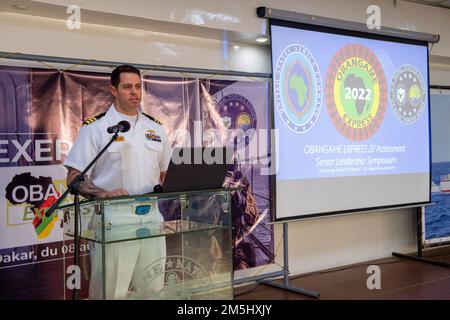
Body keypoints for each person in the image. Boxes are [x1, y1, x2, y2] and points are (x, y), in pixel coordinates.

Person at [64, 65, 172, 299]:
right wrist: (102, 194)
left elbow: (165, 173)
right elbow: (73, 177)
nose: (135, 93)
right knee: (111, 292)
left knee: (153, 289)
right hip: (116, 218)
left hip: (153, 216)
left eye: (138, 86)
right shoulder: (97, 127)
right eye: (127, 87)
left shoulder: (155, 127)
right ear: (114, 90)